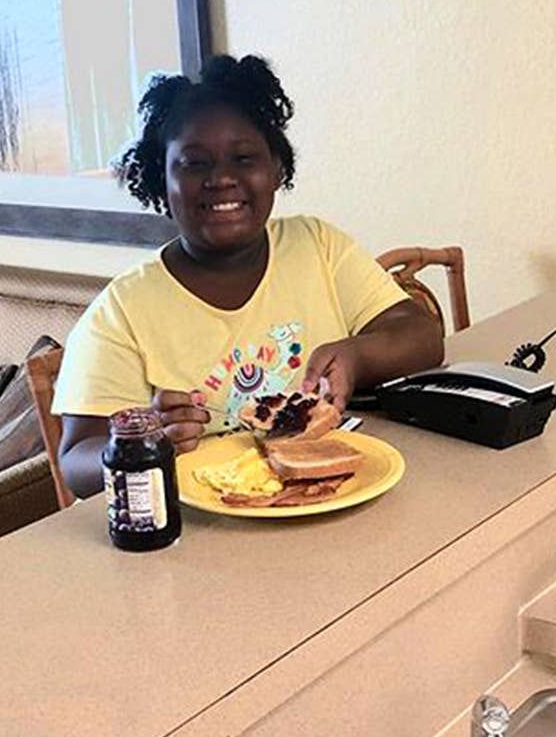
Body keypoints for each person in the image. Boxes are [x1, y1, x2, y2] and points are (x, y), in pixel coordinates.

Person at [54, 54, 444, 498]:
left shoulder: (317, 247)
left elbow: (422, 337)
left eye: (243, 157)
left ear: (277, 169)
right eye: (194, 163)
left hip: (334, 502)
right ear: (161, 181)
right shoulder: (123, 310)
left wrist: (356, 355)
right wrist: (145, 441)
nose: (221, 178)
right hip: (205, 537)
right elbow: (75, 461)